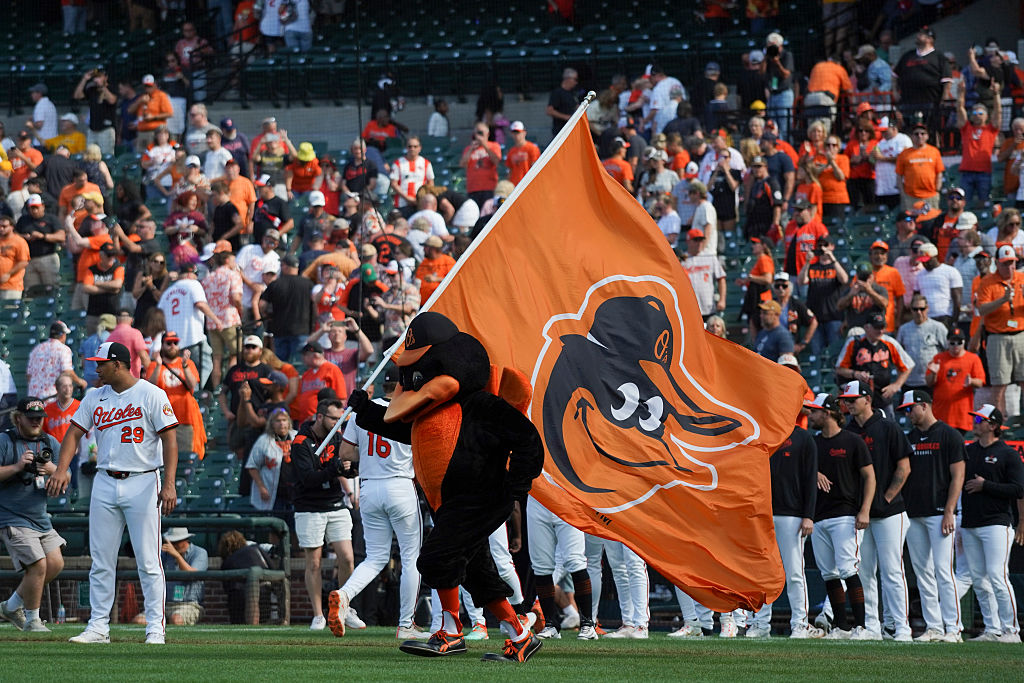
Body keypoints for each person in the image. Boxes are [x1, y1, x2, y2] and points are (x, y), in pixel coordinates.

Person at [48, 341, 178, 645]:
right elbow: (73, 434)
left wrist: (169, 483)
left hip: (143, 480)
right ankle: (98, 626)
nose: (96, 368)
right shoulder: (95, 396)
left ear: (117, 364)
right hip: (105, 480)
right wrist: (61, 468)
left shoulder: (150, 393)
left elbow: (170, 440)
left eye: (101, 363)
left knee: (148, 560)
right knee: (101, 560)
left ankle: (155, 628)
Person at [327, 371, 428, 640]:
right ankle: (406, 624)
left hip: (370, 486)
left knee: (375, 557)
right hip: (400, 484)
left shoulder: (361, 412)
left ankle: (345, 595)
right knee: (410, 558)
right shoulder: (409, 407)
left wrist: (371, 456)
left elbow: (346, 454)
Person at [840, 380, 912, 641]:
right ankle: (871, 626)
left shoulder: (887, 428)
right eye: (846, 400)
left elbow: (904, 468)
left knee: (893, 571)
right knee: (865, 571)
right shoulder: (847, 431)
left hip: (889, 512)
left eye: (852, 399)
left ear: (867, 399)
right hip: (860, 513)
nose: (848, 403)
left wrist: (885, 499)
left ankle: (902, 627)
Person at [805, 392, 876, 640]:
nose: (809, 415)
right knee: (829, 574)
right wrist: (813, 473)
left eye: (814, 411)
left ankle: (861, 628)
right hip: (819, 516)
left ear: (828, 412)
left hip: (845, 514)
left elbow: (869, 477)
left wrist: (865, 510)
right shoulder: (813, 443)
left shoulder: (853, 441)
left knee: (848, 569)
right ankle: (842, 628)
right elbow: (802, 472)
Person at [899, 389, 966, 643]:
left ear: (924, 406)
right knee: (923, 572)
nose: (908, 414)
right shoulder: (910, 437)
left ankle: (954, 628)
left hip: (940, 513)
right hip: (915, 512)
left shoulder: (949, 435)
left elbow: (958, 476)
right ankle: (934, 627)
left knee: (943, 570)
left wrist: (950, 510)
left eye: (910, 409)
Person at [747, 422, 824, 639]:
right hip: (764, 512)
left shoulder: (803, 437)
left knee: (794, 572)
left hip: (792, 514)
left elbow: (811, 478)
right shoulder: (765, 432)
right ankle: (761, 623)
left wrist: (809, 515)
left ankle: (800, 623)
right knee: (763, 572)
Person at [290, 398, 357, 631]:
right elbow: (307, 479)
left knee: (347, 558)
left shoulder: (338, 437)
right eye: (333, 418)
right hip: (309, 507)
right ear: (319, 417)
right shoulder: (300, 442)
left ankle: (344, 607)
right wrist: (334, 469)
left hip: (335, 504)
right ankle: (318, 614)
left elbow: (347, 468)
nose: (338, 423)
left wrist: (349, 469)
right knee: (314, 562)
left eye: (341, 419)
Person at [0, 397, 65, 634]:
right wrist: (18, 467)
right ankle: (32, 620)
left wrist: (53, 471)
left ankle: (11, 606)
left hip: (40, 517)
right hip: (11, 516)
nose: (37, 422)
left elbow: (64, 477)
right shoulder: (5, 441)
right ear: (18, 418)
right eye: (31, 418)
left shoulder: (50, 443)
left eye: (40, 418)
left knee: (55, 564)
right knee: (38, 565)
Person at [961, 404, 1024, 643]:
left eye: (980, 419)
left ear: (993, 425)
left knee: (998, 576)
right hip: (970, 523)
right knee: (979, 578)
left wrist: (986, 485)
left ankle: (1011, 631)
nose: (975, 422)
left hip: (997, 523)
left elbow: (1018, 488)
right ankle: (992, 628)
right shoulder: (970, 451)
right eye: (975, 418)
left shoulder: (1007, 453)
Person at [971, 245, 1024, 416]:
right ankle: (999, 427)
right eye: (1005, 263)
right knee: (999, 384)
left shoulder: (1022, 278)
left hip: (1021, 335)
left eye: (1012, 263)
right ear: (996, 263)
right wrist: (1003, 299)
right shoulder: (987, 282)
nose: (1009, 267)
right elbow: (982, 310)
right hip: (997, 338)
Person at [143, 331, 204, 461]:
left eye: (175, 343)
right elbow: (149, 387)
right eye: (169, 343)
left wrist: (185, 366)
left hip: (184, 419)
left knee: (185, 459)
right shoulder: (154, 365)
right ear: (162, 345)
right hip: (161, 421)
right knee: (162, 460)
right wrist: (159, 365)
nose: (172, 346)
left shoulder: (188, 363)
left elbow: (192, 384)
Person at [926, 329, 985, 432]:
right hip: (940, 414)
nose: (956, 346)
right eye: (952, 343)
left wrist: (971, 381)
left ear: (964, 342)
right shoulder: (938, 358)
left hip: (962, 416)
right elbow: (929, 382)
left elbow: (980, 382)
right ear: (947, 342)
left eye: (959, 342)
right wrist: (934, 373)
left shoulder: (973, 359)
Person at [245, 408, 294, 511]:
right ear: (272, 424)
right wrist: (261, 487)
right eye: (278, 421)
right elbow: (252, 466)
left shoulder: (297, 437)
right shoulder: (264, 441)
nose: (281, 424)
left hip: (295, 492)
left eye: (284, 420)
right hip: (274, 492)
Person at [897, 295, 948, 391]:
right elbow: (898, 355)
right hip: (910, 382)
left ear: (927, 308)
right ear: (911, 310)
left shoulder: (938, 327)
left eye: (922, 309)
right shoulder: (904, 329)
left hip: (932, 381)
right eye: (915, 309)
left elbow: (948, 351)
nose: (919, 312)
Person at [159, 527, 208, 626]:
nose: (173, 545)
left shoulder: (200, 553)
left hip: (189, 604)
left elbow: (192, 575)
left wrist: (177, 556)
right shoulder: (165, 554)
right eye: (171, 542)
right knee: (139, 621)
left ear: (185, 540)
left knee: (176, 619)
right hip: (164, 604)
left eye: (176, 542)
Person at [28, 321, 86, 399]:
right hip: (52, 396)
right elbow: (67, 371)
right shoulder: (63, 349)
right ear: (62, 335)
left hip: (34, 397)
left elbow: (29, 375)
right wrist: (80, 382)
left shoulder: (37, 349)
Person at [895, 121, 944, 211]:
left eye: (922, 133)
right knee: (911, 222)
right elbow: (899, 175)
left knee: (932, 222)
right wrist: (902, 193)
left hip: (931, 195)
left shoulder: (934, 152)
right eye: (916, 134)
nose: (919, 136)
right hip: (910, 197)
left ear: (927, 136)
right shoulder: (904, 154)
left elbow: (939, 173)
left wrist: (937, 190)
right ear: (911, 137)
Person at [678, 228, 725, 319]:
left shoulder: (710, 257)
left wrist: (722, 300)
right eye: (696, 240)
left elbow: (721, 278)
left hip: (708, 306)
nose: (699, 243)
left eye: (701, 240)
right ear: (688, 241)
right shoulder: (682, 259)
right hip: (689, 308)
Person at [915, 243, 963, 327]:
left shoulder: (950, 271)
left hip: (945, 316)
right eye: (923, 262)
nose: (925, 264)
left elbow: (957, 300)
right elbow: (916, 298)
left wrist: (954, 321)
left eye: (927, 261)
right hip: (925, 318)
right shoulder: (919, 275)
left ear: (935, 257)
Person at [0, 215, 29, 302]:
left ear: (12, 227)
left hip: (12, 285)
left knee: (9, 311)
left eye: (4, 226)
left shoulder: (19, 241)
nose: (1, 229)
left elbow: (24, 262)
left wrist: (8, 274)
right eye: (0, 226)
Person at [505, 121, 540, 186]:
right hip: (514, 185)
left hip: (528, 184)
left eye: (518, 132)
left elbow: (535, 167)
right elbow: (510, 170)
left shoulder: (532, 148)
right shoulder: (511, 151)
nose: (516, 135)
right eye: (514, 132)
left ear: (524, 133)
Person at [547, 68, 579, 138]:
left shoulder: (573, 94)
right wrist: (566, 117)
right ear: (568, 79)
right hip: (560, 131)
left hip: (572, 130)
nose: (576, 82)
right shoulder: (557, 93)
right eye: (575, 79)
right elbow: (549, 111)